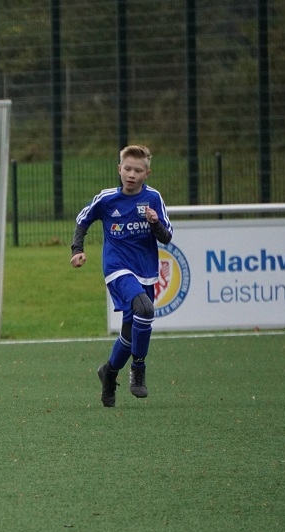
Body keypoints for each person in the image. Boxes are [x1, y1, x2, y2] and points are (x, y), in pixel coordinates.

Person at [70, 145, 173, 407]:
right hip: (117, 268)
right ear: (119, 169)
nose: (131, 174)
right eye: (127, 169)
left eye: (137, 170)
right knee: (145, 309)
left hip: (145, 271)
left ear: (146, 173)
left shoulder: (153, 198)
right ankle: (138, 370)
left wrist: (154, 223)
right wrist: (77, 249)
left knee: (129, 335)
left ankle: (109, 372)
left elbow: (167, 237)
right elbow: (83, 220)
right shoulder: (107, 199)